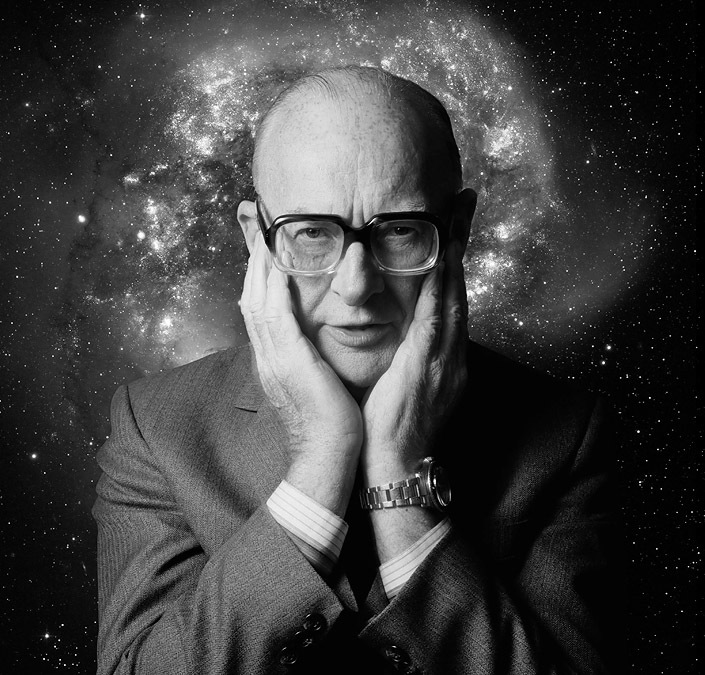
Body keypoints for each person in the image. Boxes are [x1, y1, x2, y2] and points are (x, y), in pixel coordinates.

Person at [94, 66, 618, 674]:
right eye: (312, 233)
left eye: (400, 231)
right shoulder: (155, 425)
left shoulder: (568, 434)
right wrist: (320, 459)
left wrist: (397, 473)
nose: (356, 286)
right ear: (256, 237)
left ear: (458, 229)